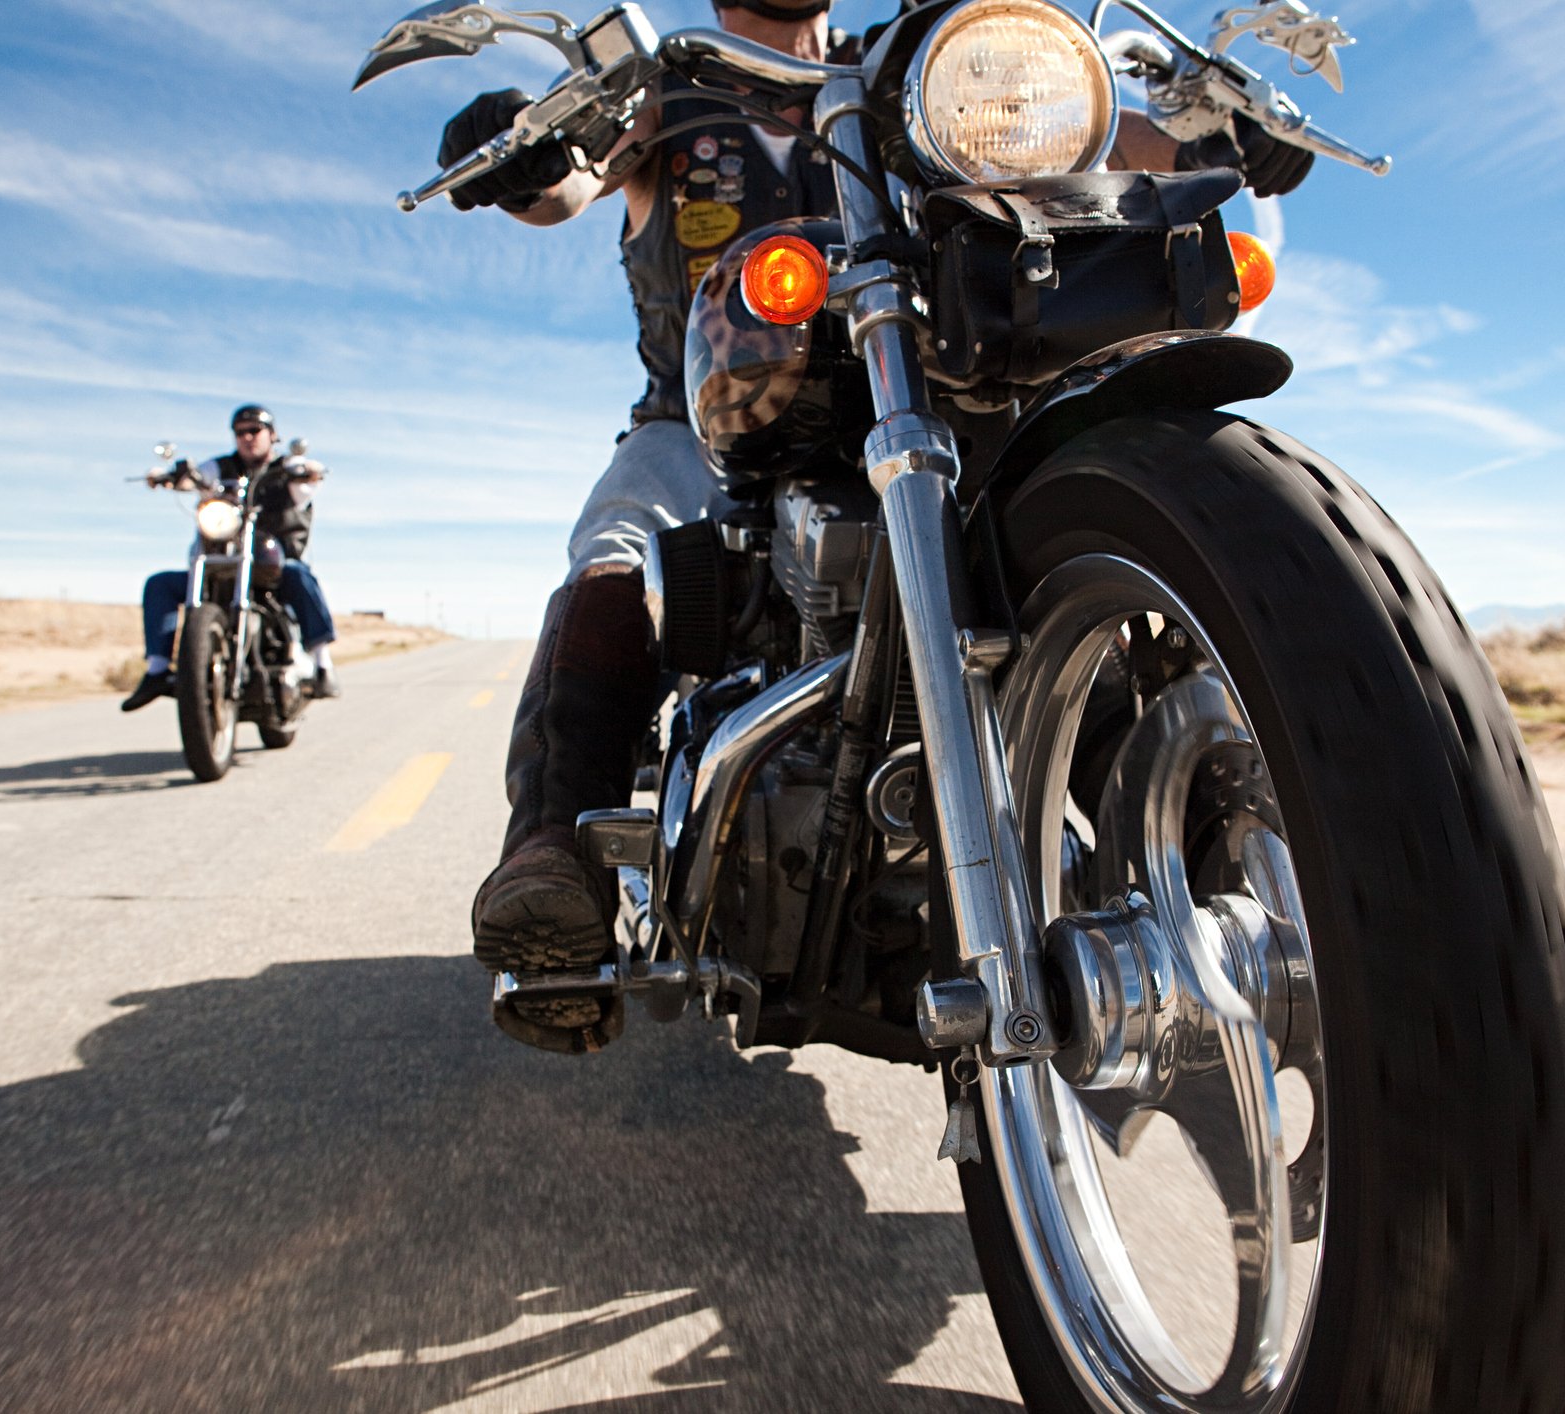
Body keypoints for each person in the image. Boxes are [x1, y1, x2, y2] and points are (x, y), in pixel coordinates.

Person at [445, 0, 1312, 1047]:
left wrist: (1219, 144)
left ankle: (1254, 864)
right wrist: (520, 146)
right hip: (702, 417)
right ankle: (551, 851)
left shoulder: (918, 70)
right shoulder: (667, 88)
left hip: (909, 398)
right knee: (624, 541)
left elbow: (1095, 125)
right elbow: (570, 180)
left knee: (1059, 528)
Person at [121, 405, 344, 711]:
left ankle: (322, 665)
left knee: (298, 574)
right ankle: (157, 670)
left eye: (255, 431)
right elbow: (195, 478)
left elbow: (307, 477)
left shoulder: (286, 469)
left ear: (272, 435)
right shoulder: (221, 467)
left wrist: (308, 470)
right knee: (160, 584)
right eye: (241, 432)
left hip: (272, 566)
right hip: (222, 562)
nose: (247, 437)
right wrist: (173, 477)